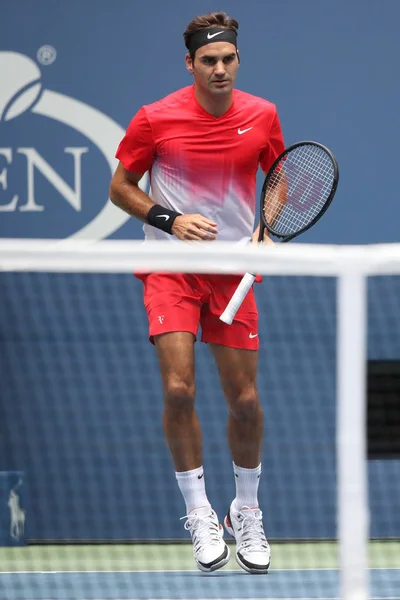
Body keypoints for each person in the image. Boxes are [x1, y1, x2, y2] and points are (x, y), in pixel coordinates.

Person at [109, 11, 285, 574]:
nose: (219, 69)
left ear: (238, 59)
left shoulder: (262, 115)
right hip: (171, 268)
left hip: (233, 271)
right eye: (208, 61)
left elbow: (279, 178)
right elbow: (120, 188)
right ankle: (198, 510)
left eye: (228, 59)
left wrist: (266, 229)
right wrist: (169, 218)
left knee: (246, 402)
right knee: (180, 390)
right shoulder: (154, 119)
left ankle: (247, 508)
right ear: (190, 65)